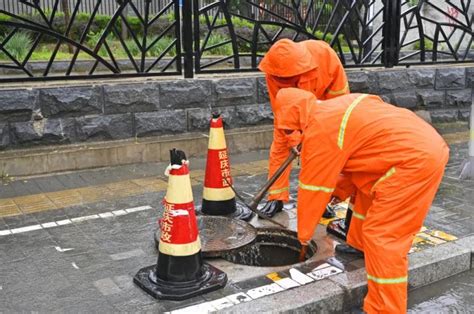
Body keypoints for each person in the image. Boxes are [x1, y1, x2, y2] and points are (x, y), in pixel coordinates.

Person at [274, 88, 449, 313]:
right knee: (364, 192)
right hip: (411, 149)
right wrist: (336, 193)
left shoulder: (320, 130)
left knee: (384, 237)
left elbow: (312, 189)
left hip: (412, 162)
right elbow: (351, 167)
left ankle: (384, 308)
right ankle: (358, 244)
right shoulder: (330, 110)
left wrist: (303, 238)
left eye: (291, 130)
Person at [258, 38, 350, 218]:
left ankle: (321, 198)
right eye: (281, 78)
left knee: (323, 149)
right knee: (281, 145)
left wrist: (313, 132)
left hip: (328, 100)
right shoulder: (273, 72)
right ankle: (276, 196)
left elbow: (339, 106)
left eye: (289, 78)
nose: (284, 81)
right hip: (297, 104)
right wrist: (293, 137)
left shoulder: (325, 59)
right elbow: (282, 111)